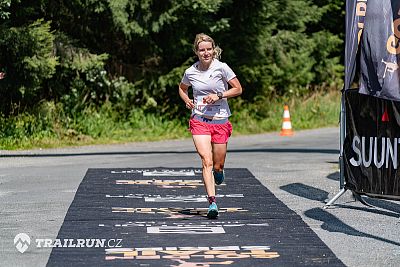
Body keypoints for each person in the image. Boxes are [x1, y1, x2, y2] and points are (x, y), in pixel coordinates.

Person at [178, 33, 243, 219]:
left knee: (217, 164)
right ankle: (212, 202)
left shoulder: (222, 68)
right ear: (196, 52)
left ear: (213, 50)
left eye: (209, 49)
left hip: (221, 121)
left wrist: (219, 95)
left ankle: (219, 171)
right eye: (202, 50)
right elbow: (182, 88)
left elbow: (238, 89)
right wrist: (187, 100)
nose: (206, 53)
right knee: (206, 160)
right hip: (199, 120)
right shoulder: (191, 71)